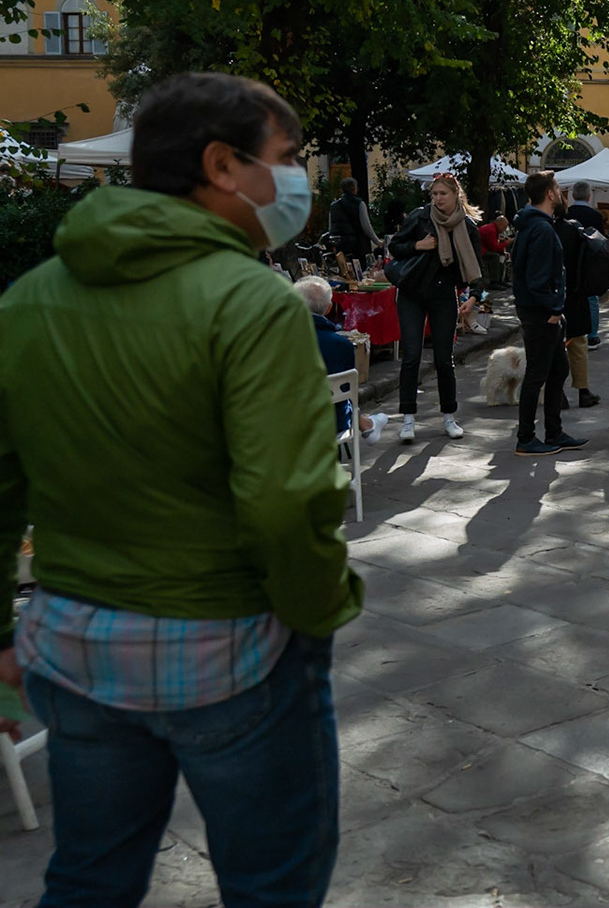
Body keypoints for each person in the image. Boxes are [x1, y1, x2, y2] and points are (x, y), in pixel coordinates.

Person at [0, 71, 362, 905]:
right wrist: (317, 610)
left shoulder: (28, 300)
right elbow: (285, 501)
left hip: (73, 643)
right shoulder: (252, 304)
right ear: (222, 166)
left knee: (90, 875)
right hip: (228, 650)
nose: (297, 177)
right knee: (273, 883)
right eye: (287, 157)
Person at [386, 174, 482, 443]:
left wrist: (474, 296)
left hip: (443, 294)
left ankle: (449, 417)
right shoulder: (420, 217)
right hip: (412, 293)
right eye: (434, 194)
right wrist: (418, 244)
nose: (437, 199)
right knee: (412, 356)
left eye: (443, 194)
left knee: (444, 359)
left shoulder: (467, 226)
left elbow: (476, 267)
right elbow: (395, 246)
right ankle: (408, 419)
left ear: (455, 196)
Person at [512, 171, 588, 457]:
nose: (560, 193)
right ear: (550, 194)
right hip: (541, 313)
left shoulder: (533, 225)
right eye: (557, 188)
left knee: (558, 370)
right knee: (537, 374)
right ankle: (526, 438)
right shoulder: (541, 229)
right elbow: (538, 277)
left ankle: (553, 431)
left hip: (538, 310)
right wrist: (554, 308)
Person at [293, 275, 388, 443]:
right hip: (331, 423)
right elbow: (346, 392)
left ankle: (367, 424)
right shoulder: (342, 345)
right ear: (329, 308)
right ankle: (367, 424)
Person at [556, 214, 601, 409]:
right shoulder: (574, 229)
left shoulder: (541, 228)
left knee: (553, 346)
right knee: (578, 344)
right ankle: (583, 391)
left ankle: (558, 392)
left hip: (550, 293)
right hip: (575, 292)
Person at [565, 182, 606, 347]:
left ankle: (569, 334)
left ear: (573, 196)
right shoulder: (595, 216)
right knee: (591, 299)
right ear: (588, 196)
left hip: (568, 263)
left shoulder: (566, 214)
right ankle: (592, 335)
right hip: (589, 263)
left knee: (568, 298)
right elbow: (601, 243)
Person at [327, 175, 378, 266]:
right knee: (359, 269)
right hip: (356, 244)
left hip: (340, 244)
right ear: (355, 189)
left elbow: (331, 227)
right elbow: (366, 226)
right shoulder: (359, 204)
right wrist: (377, 241)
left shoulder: (334, 205)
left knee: (343, 268)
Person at [478, 212, 513, 290]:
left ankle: (500, 280)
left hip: (484, 248)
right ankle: (494, 281)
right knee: (495, 257)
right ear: (499, 224)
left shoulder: (494, 229)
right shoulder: (491, 230)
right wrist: (507, 243)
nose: (504, 229)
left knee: (502, 256)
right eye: (504, 227)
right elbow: (494, 248)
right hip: (480, 250)